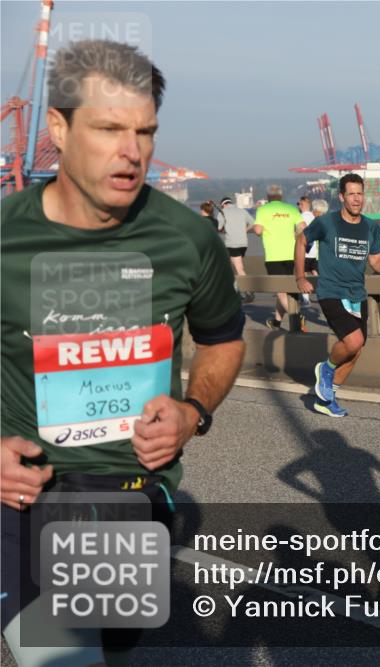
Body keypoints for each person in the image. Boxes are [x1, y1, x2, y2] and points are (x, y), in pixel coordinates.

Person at [0, 39, 246, 667]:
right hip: (22, 497)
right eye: (110, 129)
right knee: (56, 656)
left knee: (110, 650)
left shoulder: (187, 237)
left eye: (145, 132)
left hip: (132, 497)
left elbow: (222, 337)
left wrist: (194, 412)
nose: (132, 152)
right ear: (58, 127)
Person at [296, 174, 380, 418]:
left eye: (360, 193)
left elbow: (375, 261)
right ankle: (326, 369)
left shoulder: (371, 227)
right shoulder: (327, 223)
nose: (356, 199)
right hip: (331, 290)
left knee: (357, 348)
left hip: (357, 293)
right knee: (353, 341)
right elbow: (302, 241)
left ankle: (327, 398)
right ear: (342, 197)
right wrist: (300, 277)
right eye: (351, 194)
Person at [253, 184, 305, 331]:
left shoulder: (263, 210)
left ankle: (297, 315)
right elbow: (303, 226)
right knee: (285, 289)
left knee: (281, 290)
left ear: (268, 196)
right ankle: (276, 322)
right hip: (291, 254)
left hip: (273, 255)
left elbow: (257, 231)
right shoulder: (291, 209)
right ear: (281, 196)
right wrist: (294, 235)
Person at [217, 196, 256, 302]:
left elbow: (219, 228)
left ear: (223, 204)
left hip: (232, 244)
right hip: (243, 244)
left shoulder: (222, 212)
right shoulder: (242, 211)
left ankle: (248, 290)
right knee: (235, 267)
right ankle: (236, 290)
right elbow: (253, 223)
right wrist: (245, 230)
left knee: (239, 268)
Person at [297, 196, 315, 308]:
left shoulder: (301, 217)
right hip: (315, 251)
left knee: (303, 274)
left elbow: (298, 234)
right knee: (315, 272)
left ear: (301, 205)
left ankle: (306, 299)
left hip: (305, 250)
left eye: (298, 204)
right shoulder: (313, 216)